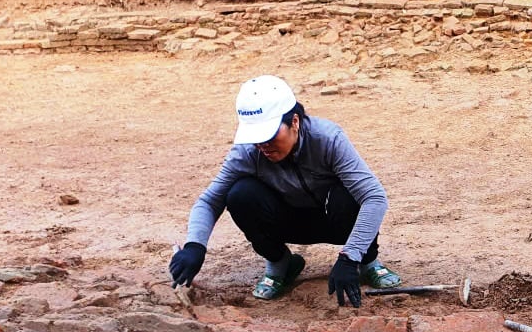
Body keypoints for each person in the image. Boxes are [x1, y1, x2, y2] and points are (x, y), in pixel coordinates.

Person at [168, 74, 400, 308]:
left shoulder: (327, 139)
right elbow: (209, 201)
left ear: (295, 122)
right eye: (255, 137)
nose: (262, 145)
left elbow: (374, 197)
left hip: (337, 222)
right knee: (240, 194)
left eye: (268, 135)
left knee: (351, 194)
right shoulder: (247, 152)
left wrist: (350, 256)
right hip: (287, 222)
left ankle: (368, 262)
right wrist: (194, 246)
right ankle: (281, 264)